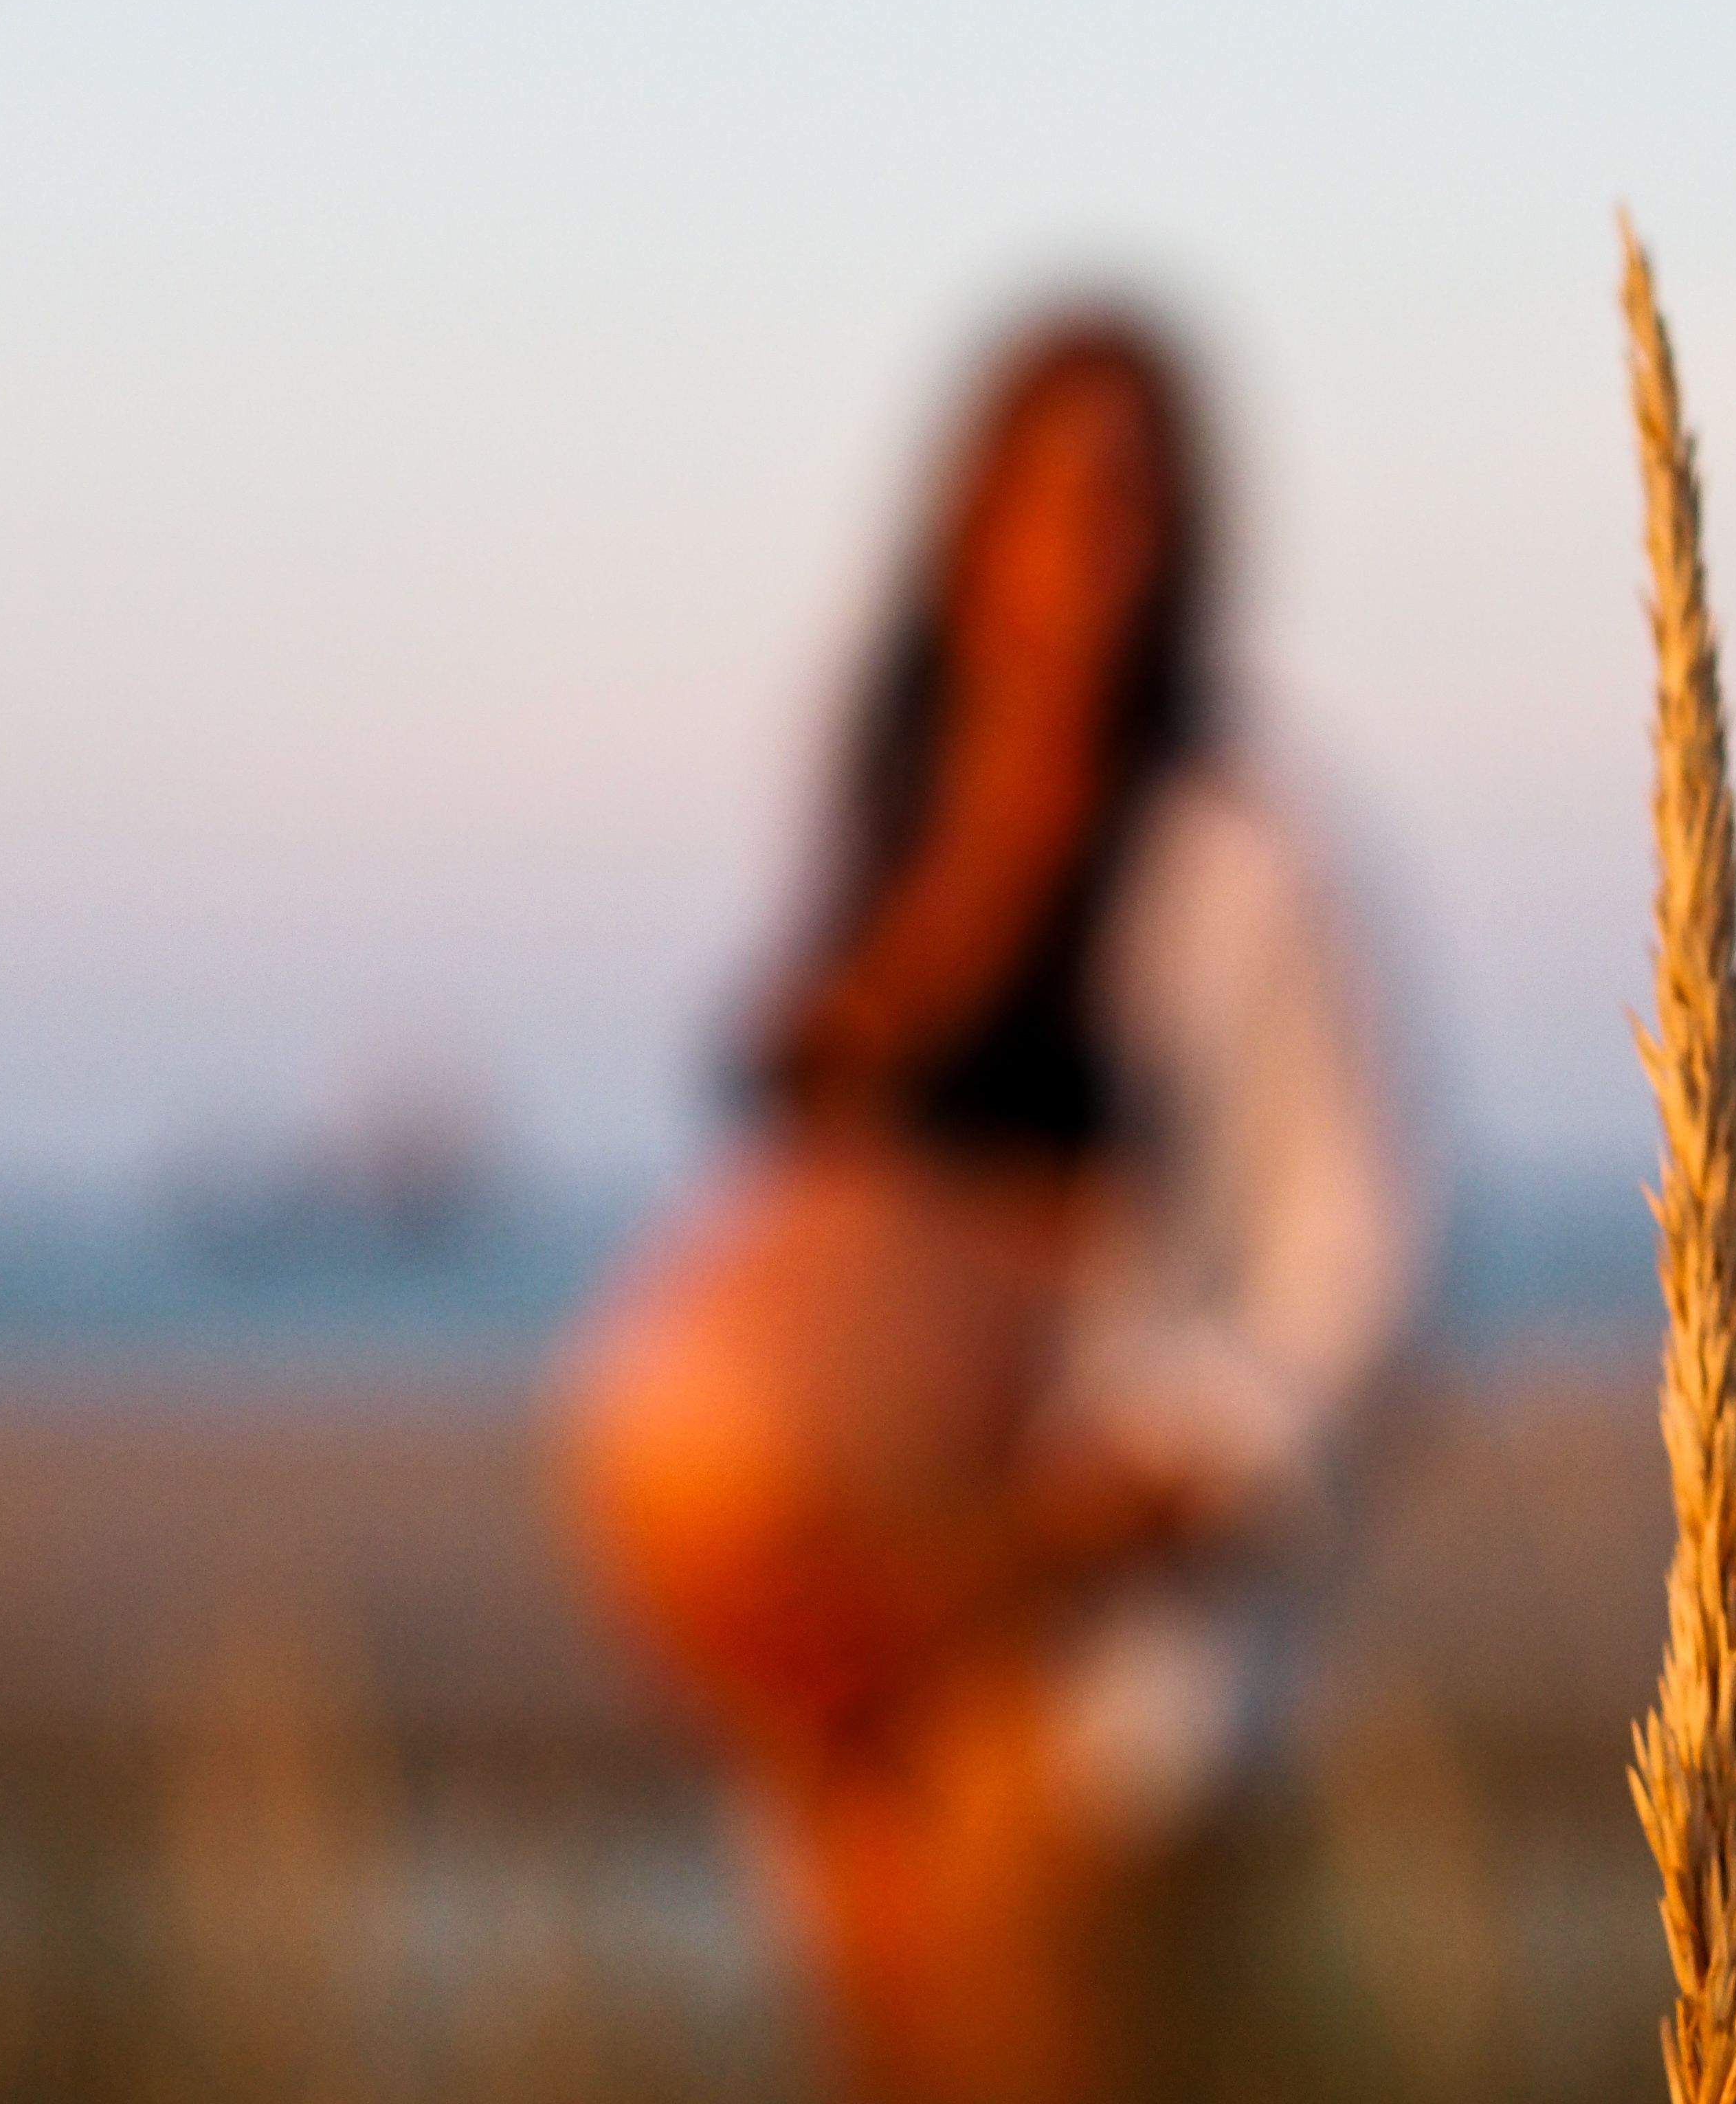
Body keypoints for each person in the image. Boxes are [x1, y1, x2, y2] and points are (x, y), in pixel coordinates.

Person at [554, 310, 1432, 2104]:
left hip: (1081, 1648)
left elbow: (1364, 1250)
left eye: (1130, 497)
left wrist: (1188, 1455)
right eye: (1043, 492)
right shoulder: (895, 815)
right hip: (860, 1690)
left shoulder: (1242, 850)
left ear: (1190, 537)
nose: (1082, 542)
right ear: (965, 519)